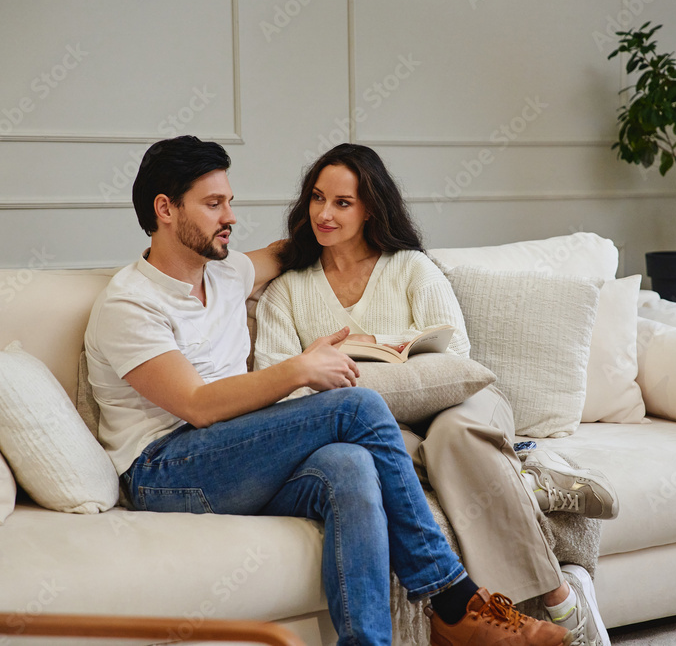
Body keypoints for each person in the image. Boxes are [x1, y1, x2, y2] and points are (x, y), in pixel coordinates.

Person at [84, 135, 574, 646]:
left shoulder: (227, 274)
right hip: (165, 470)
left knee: (350, 465)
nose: (230, 215)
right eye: (213, 204)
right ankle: (452, 599)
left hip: (238, 455)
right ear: (165, 209)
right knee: (357, 405)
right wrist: (300, 369)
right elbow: (198, 406)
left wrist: (343, 226)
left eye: (229, 200)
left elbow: (292, 247)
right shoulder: (129, 303)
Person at [254, 143, 615, 646]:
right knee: (371, 452)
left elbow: (458, 356)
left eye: (342, 202)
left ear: (371, 208)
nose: (324, 213)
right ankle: (520, 481)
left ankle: (559, 601)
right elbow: (275, 388)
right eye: (317, 198)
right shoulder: (287, 289)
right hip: (378, 422)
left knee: (456, 438)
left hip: (456, 403)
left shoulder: (410, 268)